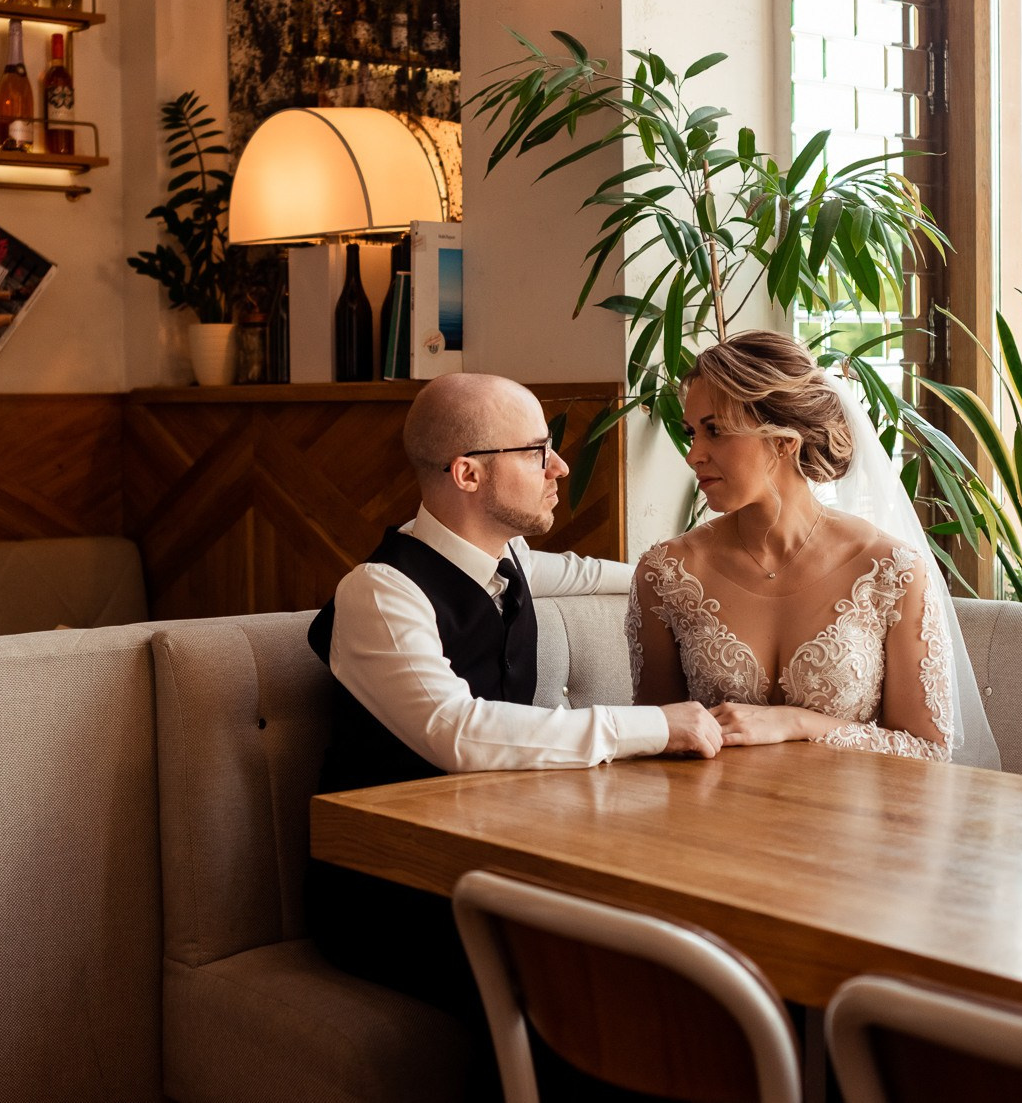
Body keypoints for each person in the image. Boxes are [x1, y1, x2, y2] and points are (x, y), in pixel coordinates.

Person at [305, 371, 727, 1020]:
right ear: (468, 474)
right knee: (584, 973)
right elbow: (459, 732)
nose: (558, 465)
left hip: (497, 856)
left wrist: (705, 581)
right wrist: (655, 726)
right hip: (393, 888)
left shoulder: (513, 559)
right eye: (536, 451)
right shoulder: (380, 592)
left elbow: (594, 576)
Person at [628, 331, 1001, 768]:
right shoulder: (668, 573)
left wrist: (796, 724)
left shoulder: (889, 571)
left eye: (715, 431)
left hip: (852, 828)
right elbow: (653, 738)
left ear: (784, 441)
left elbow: (928, 751)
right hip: (714, 823)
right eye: (692, 433)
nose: (693, 455)